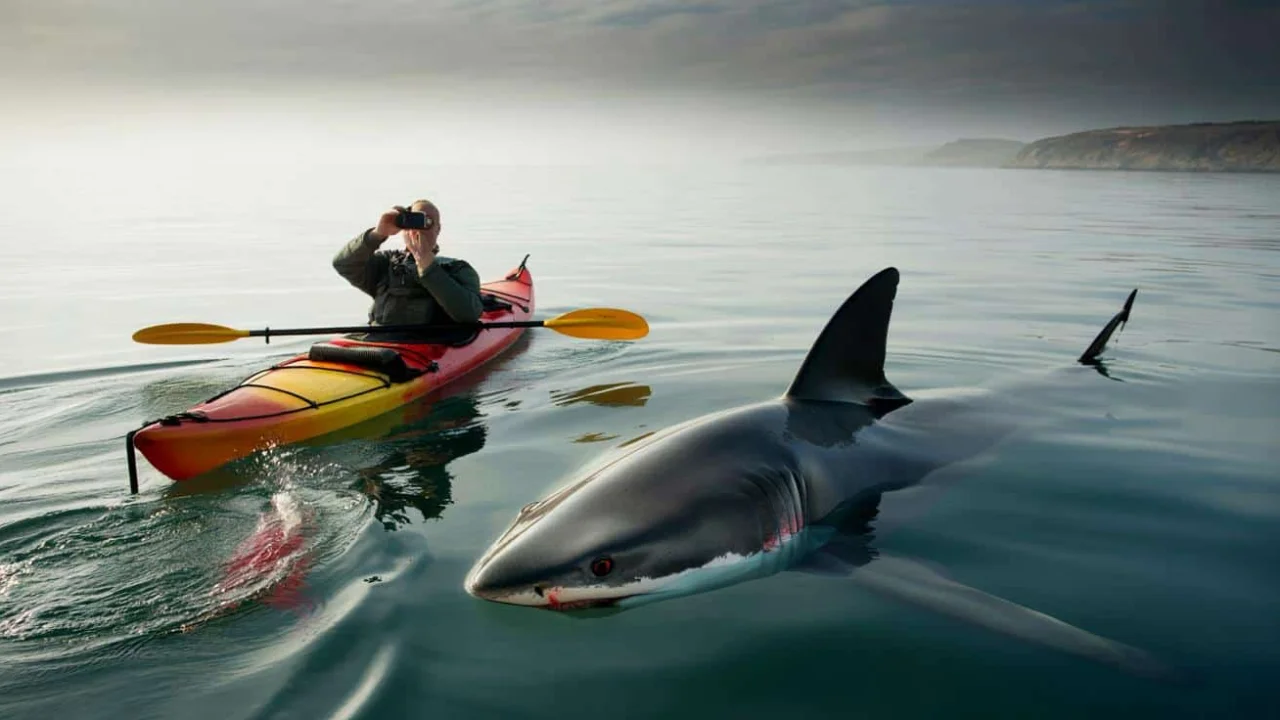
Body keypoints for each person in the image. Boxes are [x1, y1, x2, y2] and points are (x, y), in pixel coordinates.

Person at [332, 200, 484, 336]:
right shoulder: (385, 264)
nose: (419, 231)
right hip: (379, 345)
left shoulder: (457, 269)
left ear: (438, 229)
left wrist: (427, 266)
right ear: (404, 229)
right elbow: (343, 264)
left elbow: (469, 314)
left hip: (428, 349)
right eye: (414, 222)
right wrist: (377, 234)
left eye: (427, 223)